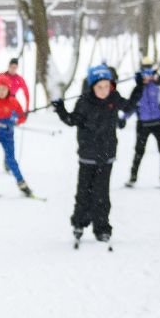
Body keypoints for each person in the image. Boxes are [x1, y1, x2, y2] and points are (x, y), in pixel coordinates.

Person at [52, 64, 124, 247]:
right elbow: (72, 120)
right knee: (83, 192)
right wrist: (60, 109)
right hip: (87, 155)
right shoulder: (84, 102)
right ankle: (79, 223)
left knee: (102, 194)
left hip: (106, 156)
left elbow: (130, 105)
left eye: (107, 86)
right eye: (99, 87)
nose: (103, 90)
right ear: (92, 86)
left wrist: (140, 85)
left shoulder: (114, 99)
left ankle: (102, 228)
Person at [123, 62, 160, 188]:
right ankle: (132, 177)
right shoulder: (137, 90)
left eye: (149, 75)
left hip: (159, 123)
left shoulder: (159, 89)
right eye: (144, 75)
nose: (147, 78)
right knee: (139, 151)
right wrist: (123, 118)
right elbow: (131, 106)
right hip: (143, 124)